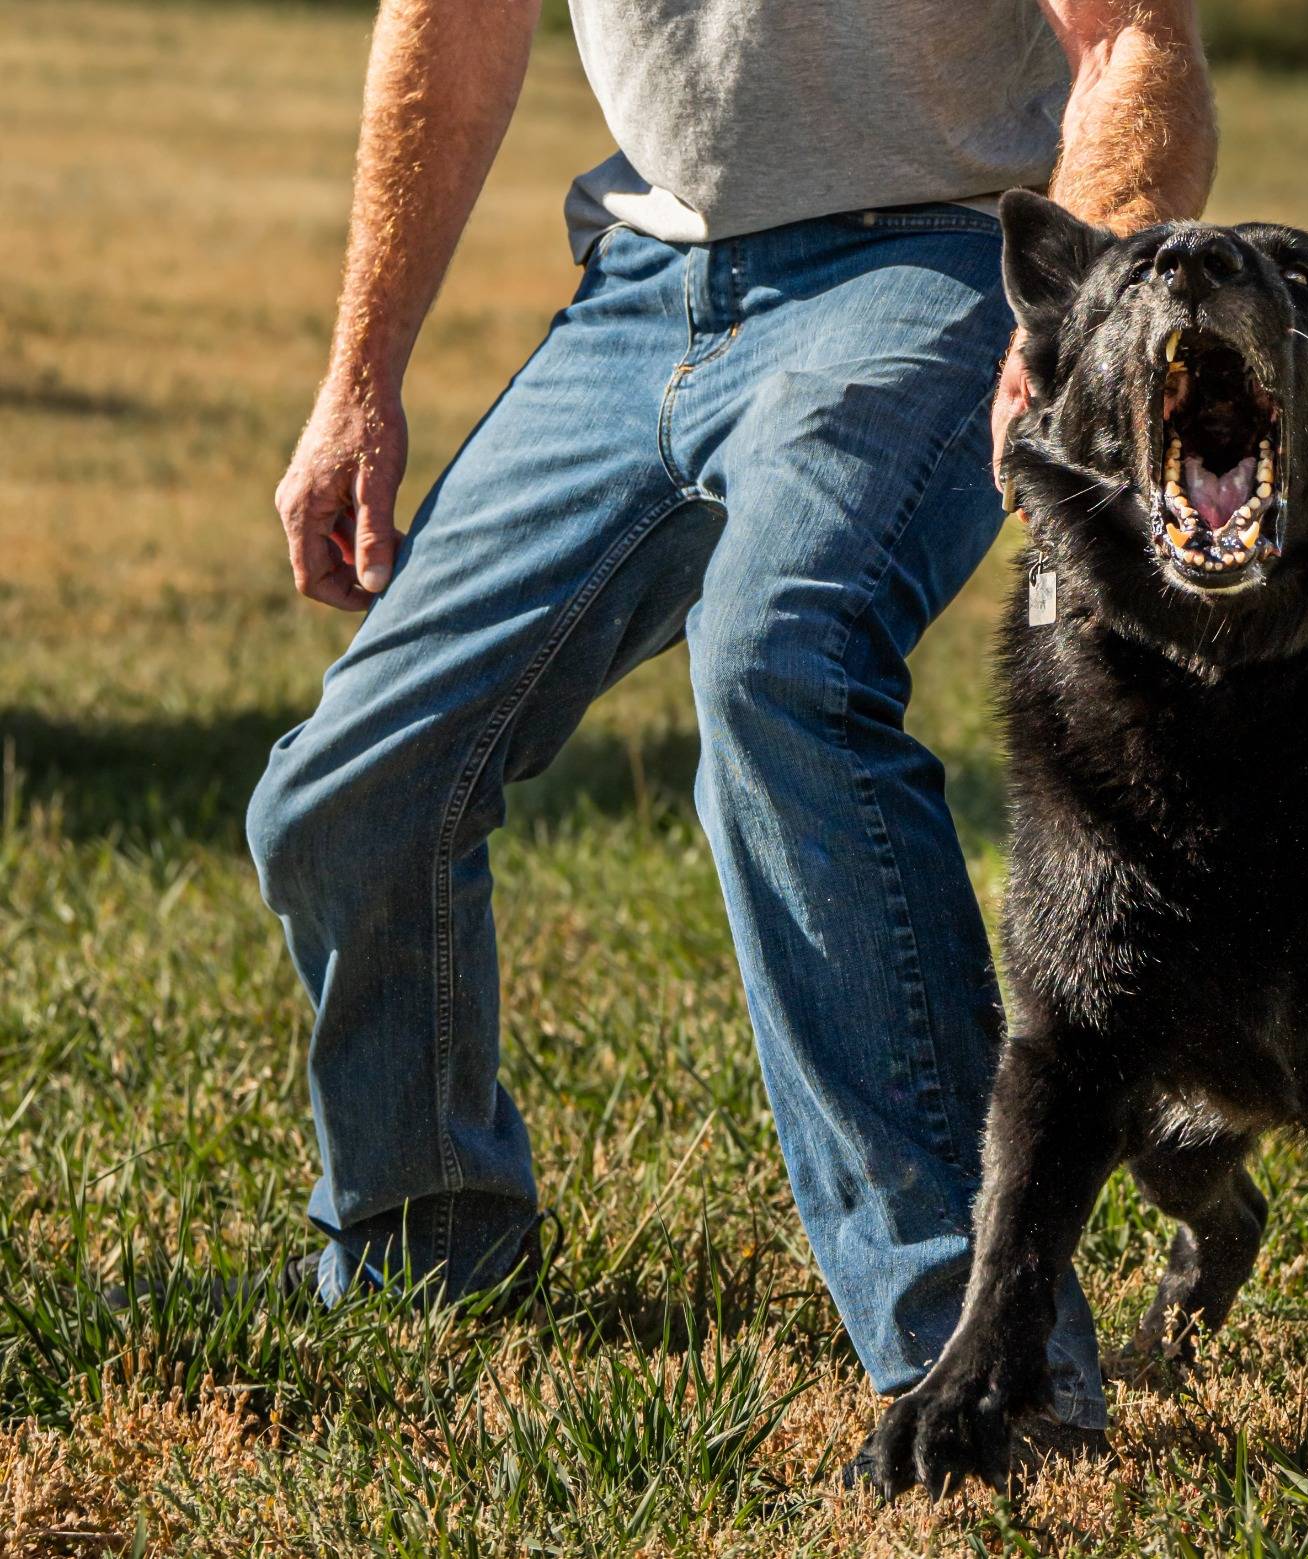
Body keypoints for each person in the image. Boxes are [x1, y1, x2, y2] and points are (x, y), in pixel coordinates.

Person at [240, 0, 1215, 1447]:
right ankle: (425, 1255)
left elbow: (1138, 47)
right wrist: (359, 379)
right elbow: (453, 22)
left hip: (935, 261)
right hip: (641, 293)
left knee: (784, 661)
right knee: (346, 788)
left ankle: (988, 1354)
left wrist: (1069, 312)